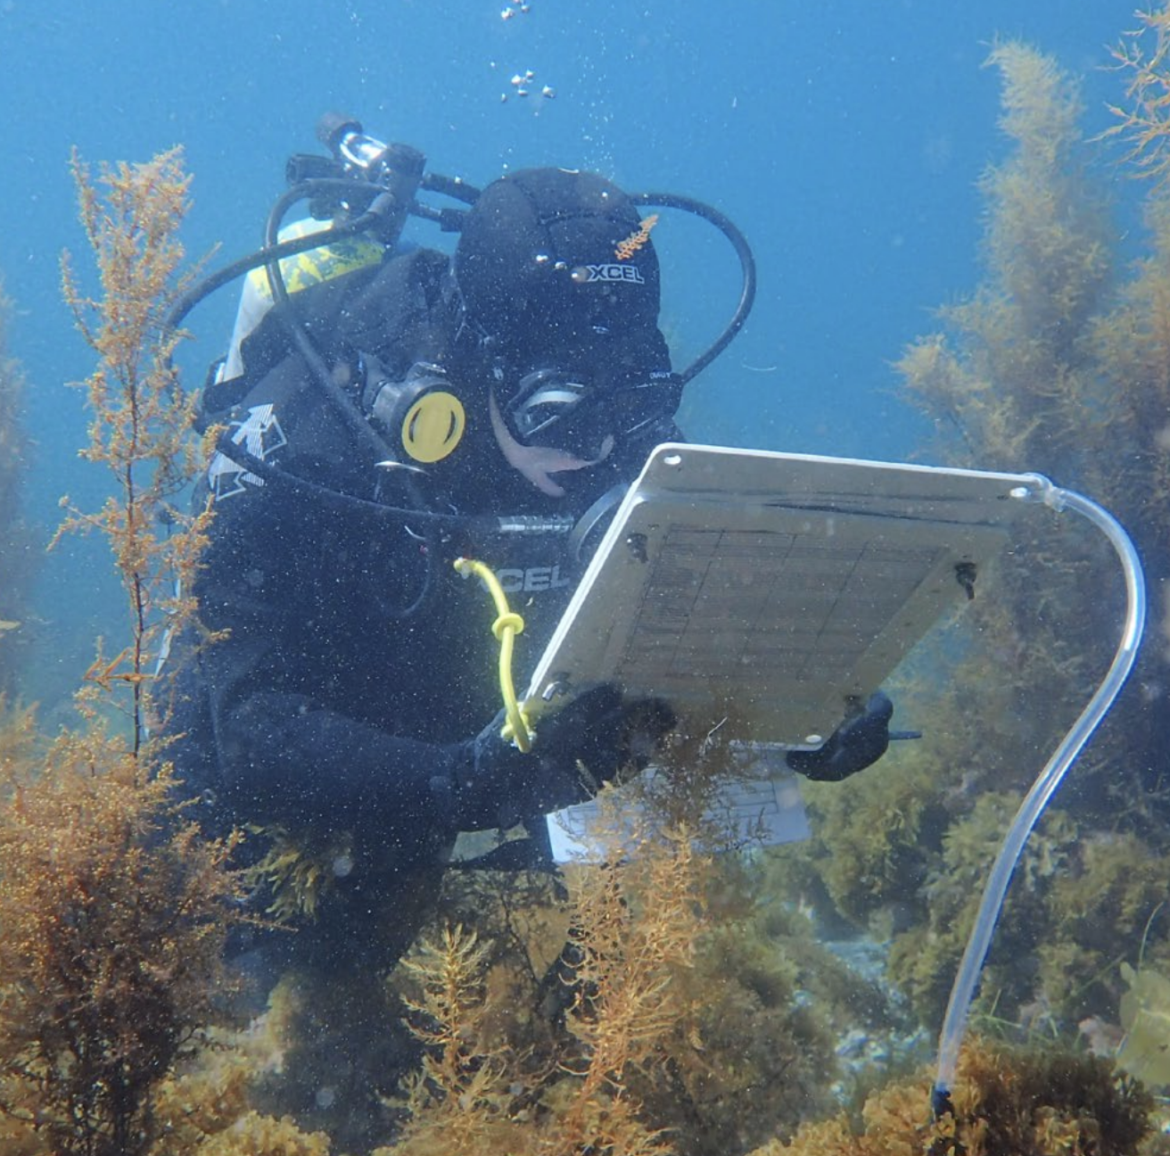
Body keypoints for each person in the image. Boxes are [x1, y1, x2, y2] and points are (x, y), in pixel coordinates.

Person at [166, 159, 894, 1147]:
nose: (597, 450)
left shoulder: (625, 430)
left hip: (479, 733)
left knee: (593, 993)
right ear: (476, 363)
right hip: (317, 744)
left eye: (625, 403)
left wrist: (784, 718)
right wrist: (457, 783)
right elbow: (240, 730)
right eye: (560, 414)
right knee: (231, 1000)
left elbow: (668, 666)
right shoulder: (314, 434)